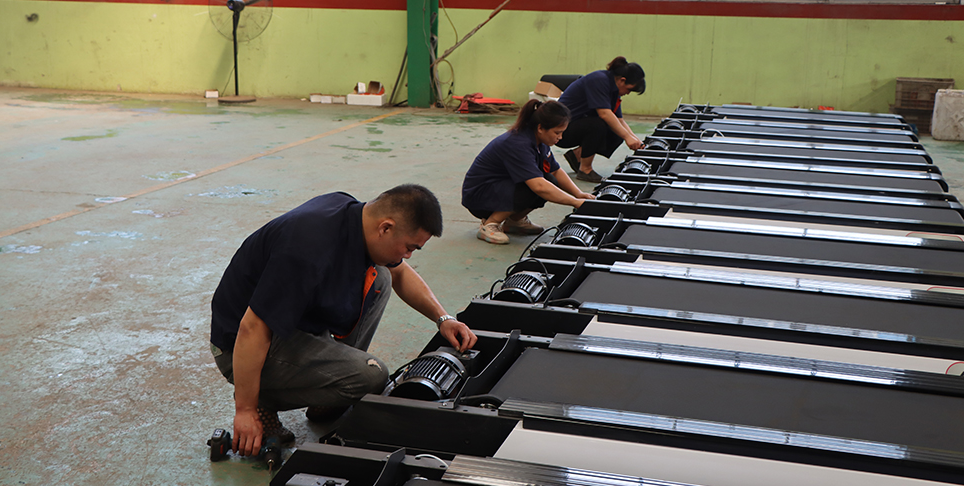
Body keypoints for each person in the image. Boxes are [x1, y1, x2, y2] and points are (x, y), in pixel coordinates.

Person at [209, 185, 477, 456]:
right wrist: (245, 410)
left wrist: (443, 319)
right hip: (241, 345)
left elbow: (400, 273)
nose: (408, 256)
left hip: (291, 323)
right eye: (409, 247)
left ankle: (328, 391)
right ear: (385, 228)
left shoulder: (355, 216)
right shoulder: (306, 248)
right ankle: (263, 400)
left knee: (382, 277)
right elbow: (253, 328)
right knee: (372, 376)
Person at [461, 99, 595, 245]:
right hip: (480, 197)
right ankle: (490, 224)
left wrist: (578, 194)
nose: (560, 137)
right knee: (535, 187)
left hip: (500, 188)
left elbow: (555, 171)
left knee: (549, 180)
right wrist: (575, 202)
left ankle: (514, 221)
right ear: (540, 128)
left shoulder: (539, 141)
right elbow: (539, 186)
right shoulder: (518, 143)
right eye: (557, 132)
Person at [556, 57, 646, 183]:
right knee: (598, 125)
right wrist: (627, 137)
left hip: (578, 125)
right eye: (629, 89)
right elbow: (604, 114)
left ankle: (577, 155)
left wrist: (636, 140)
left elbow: (619, 120)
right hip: (560, 131)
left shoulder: (614, 90)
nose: (628, 93)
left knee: (616, 132)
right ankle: (585, 170)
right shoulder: (599, 80)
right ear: (622, 80)